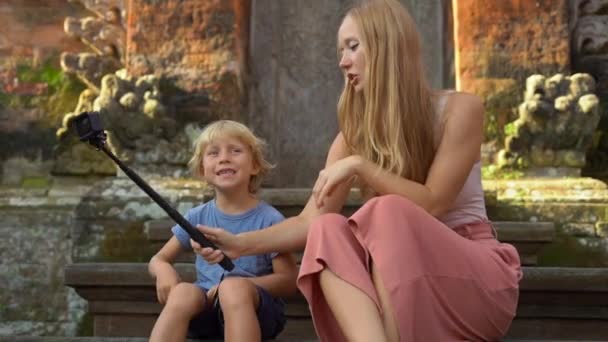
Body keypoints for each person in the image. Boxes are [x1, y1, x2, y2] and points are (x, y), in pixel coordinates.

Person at [192, 0, 522, 341]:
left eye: (353, 46)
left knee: (387, 208)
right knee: (326, 230)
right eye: (340, 50)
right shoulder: (355, 135)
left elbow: (434, 203)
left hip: (469, 280)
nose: (343, 61)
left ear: (386, 46)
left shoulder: (460, 109)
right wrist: (239, 244)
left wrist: (362, 166)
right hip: (396, 286)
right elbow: (308, 222)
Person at [148, 120, 298, 342]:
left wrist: (233, 286)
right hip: (206, 311)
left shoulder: (270, 220)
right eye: (213, 153)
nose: (224, 158)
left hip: (256, 312)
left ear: (254, 165)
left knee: (233, 289)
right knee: (182, 293)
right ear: (202, 170)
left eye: (235, 150)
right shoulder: (196, 217)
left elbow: (288, 280)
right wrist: (163, 270)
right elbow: (159, 258)